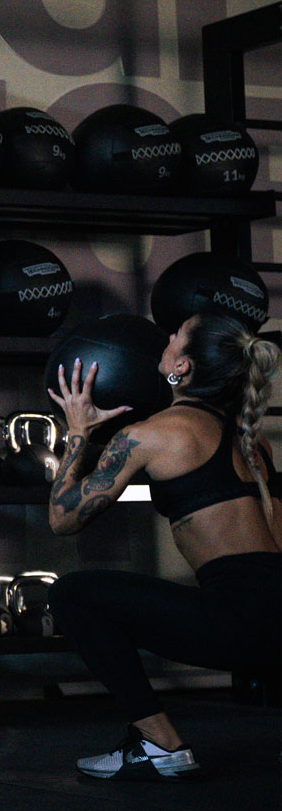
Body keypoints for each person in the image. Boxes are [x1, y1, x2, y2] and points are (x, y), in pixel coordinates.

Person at [44, 310, 282, 780]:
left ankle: (159, 743)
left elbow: (62, 517)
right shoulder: (254, 442)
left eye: (175, 336)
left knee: (72, 594)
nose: (166, 338)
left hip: (242, 626)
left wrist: (77, 430)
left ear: (183, 367)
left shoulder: (152, 435)